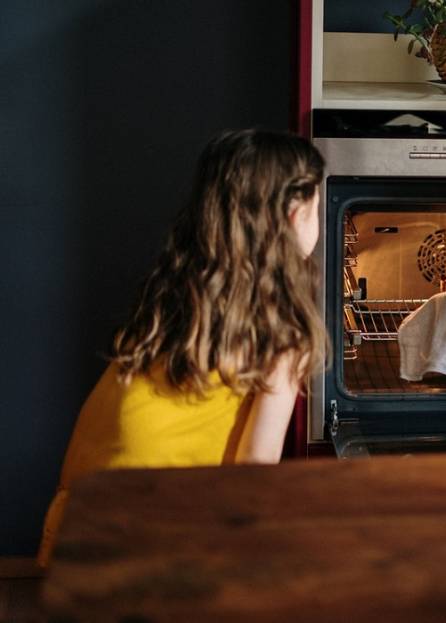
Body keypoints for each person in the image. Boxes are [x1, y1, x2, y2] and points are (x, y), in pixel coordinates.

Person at [38, 129, 327, 565]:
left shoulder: (178, 288)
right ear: (293, 214)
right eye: (318, 206)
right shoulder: (283, 329)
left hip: (91, 504)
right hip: (166, 523)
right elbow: (256, 465)